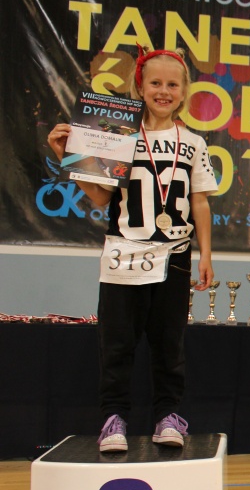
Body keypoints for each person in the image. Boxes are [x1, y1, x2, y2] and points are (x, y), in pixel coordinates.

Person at [46, 46, 217, 452]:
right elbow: (101, 197)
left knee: (169, 344)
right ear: (139, 87)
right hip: (124, 253)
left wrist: (206, 255)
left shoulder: (193, 143)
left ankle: (168, 416)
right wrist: (68, 158)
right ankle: (113, 419)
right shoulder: (119, 138)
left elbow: (200, 202)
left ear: (184, 91)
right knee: (117, 342)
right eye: (155, 83)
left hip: (174, 256)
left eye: (172, 84)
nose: (163, 91)